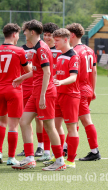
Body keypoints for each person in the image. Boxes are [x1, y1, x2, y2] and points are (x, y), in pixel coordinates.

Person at [11, 20, 66, 171]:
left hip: (45, 93)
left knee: (49, 126)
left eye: (25, 31)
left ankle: (60, 161)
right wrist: (22, 78)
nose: (23, 33)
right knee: (24, 121)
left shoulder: (41, 49)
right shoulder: (38, 48)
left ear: (32, 32)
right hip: (36, 92)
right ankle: (29, 158)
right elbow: (38, 70)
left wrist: (42, 95)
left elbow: (47, 72)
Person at [0, 23, 29, 165]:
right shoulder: (19, 51)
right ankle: (11, 157)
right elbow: (28, 70)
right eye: (18, 34)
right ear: (14, 34)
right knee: (13, 125)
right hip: (14, 90)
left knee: (2, 122)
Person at [65, 23, 100, 161]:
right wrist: (93, 89)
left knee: (84, 120)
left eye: (67, 34)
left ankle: (94, 150)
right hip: (87, 88)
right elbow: (94, 71)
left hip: (78, 89)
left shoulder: (74, 52)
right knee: (75, 120)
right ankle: (66, 148)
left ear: (72, 35)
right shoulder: (89, 50)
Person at [49, 28, 80, 168]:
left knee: (71, 127)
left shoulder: (73, 56)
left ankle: (71, 160)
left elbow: (73, 77)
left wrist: (60, 82)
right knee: (55, 126)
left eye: (57, 40)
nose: (54, 42)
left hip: (70, 95)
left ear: (66, 40)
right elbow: (58, 74)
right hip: (58, 94)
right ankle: (59, 156)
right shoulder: (61, 56)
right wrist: (52, 80)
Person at [36, 22, 63, 162]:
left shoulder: (61, 51)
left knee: (58, 125)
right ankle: (47, 151)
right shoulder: (42, 50)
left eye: (49, 36)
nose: (46, 38)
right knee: (48, 123)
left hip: (60, 91)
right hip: (49, 91)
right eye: (45, 35)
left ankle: (62, 151)